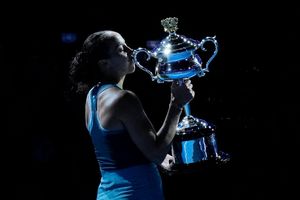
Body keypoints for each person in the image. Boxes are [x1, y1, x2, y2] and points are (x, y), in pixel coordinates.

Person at [68, 30, 194, 200]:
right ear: (104, 63)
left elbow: (122, 151)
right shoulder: (124, 99)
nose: (131, 50)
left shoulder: (93, 95)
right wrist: (176, 104)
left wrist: (165, 160)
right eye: (121, 49)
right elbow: (156, 153)